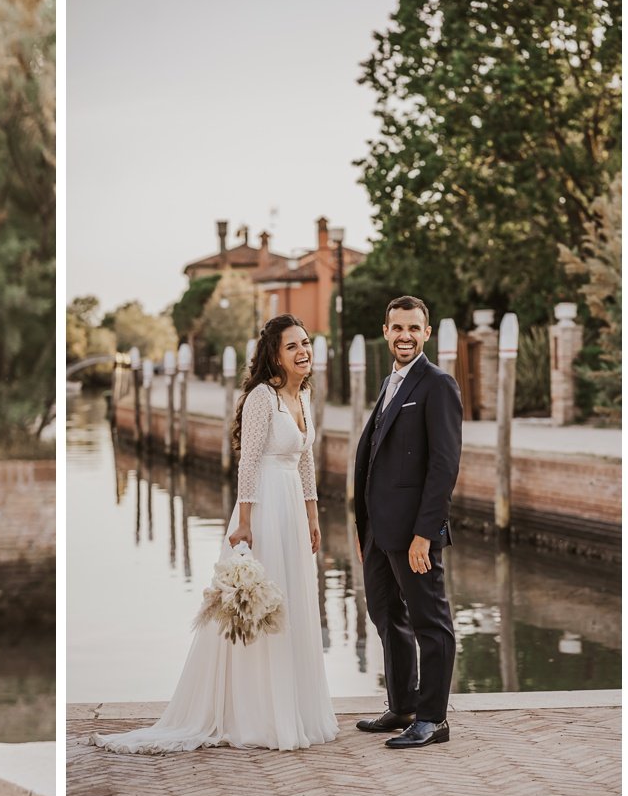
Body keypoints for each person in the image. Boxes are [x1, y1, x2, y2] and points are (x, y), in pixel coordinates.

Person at [93, 314, 336, 753]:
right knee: (259, 607)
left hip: (293, 514)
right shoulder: (263, 397)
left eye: (306, 343)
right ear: (275, 355)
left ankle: (294, 708)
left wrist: (313, 515)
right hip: (263, 506)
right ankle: (256, 713)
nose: (303, 352)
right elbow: (248, 460)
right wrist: (244, 521)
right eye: (292, 346)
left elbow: (305, 461)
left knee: (293, 605)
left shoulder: (304, 397)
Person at [349, 295, 463, 749]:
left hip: (414, 531)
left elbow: (443, 467)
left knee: (430, 622)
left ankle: (433, 719)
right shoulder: (391, 382)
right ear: (385, 331)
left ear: (426, 333)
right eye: (398, 328)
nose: (405, 336)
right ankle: (403, 706)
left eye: (414, 328)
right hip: (378, 529)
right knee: (386, 616)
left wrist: (425, 534)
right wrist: (365, 530)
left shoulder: (438, 384)